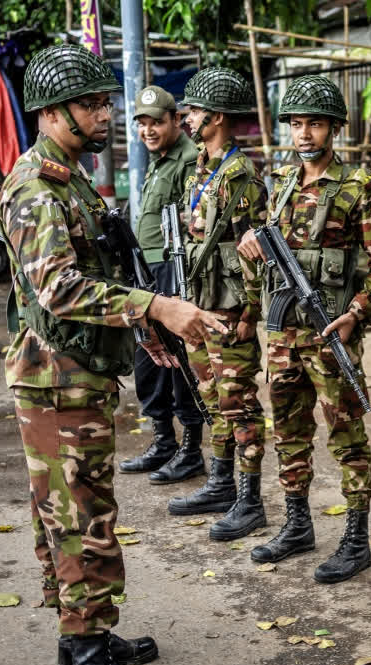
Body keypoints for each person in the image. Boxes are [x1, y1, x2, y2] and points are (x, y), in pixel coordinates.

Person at [0, 44, 226, 665]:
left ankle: (87, 633)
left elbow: (103, 267)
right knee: (77, 515)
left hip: (78, 373)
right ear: (49, 113)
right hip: (54, 381)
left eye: (105, 102)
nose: (105, 115)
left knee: (81, 507)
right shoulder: (38, 189)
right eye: (89, 104)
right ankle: (86, 656)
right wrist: (155, 308)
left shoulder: (71, 179)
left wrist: (141, 329)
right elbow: (60, 288)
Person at [235, 75, 371, 582]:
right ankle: (298, 523)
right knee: (288, 429)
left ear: (334, 129)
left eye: (316, 124)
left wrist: (359, 314)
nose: (305, 134)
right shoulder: (279, 183)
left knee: (347, 434)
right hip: (283, 335)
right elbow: (261, 242)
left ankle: (356, 538)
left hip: (330, 334)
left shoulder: (358, 186)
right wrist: (249, 245)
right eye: (297, 124)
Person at [162, 67, 270, 543]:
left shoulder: (239, 175)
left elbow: (254, 251)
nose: (187, 119)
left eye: (195, 111)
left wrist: (250, 314)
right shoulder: (201, 170)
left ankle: (250, 500)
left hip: (230, 311)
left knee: (238, 402)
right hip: (202, 304)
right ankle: (222, 482)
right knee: (212, 398)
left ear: (218, 116)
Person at [118, 85, 206, 479]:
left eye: (156, 122)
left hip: (174, 271)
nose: (148, 130)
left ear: (176, 120)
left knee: (178, 362)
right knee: (149, 360)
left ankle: (190, 448)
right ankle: (162, 441)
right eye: (142, 123)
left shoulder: (189, 159)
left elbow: (193, 224)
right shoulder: (160, 159)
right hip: (148, 272)